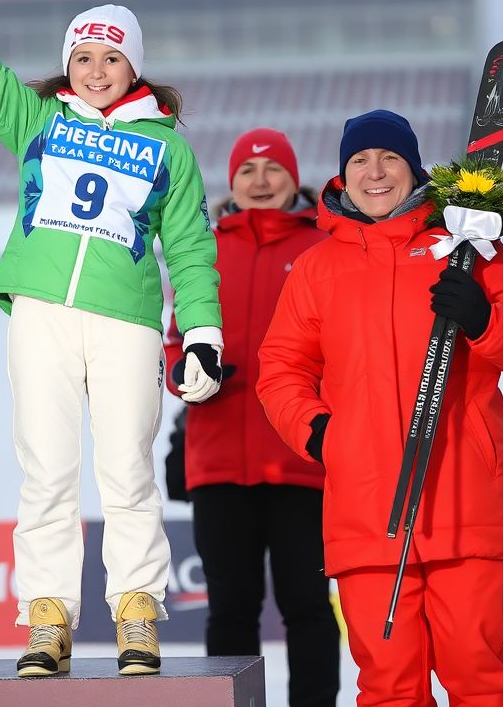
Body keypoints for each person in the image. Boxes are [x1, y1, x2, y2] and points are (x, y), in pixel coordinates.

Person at [0, 0, 222, 677]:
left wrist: (202, 331)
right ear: (69, 63)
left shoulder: (167, 146)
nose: (96, 71)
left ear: (135, 69)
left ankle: (135, 613)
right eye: (84, 57)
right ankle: (48, 618)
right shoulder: (37, 121)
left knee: (126, 469)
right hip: (41, 314)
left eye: (110, 59)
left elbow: (190, 247)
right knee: (47, 470)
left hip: (125, 318)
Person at [256, 108, 503, 707]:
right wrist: (320, 434)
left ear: (414, 168)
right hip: (367, 510)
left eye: (389, 158)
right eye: (360, 160)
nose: (375, 172)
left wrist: (484, 319)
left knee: (478, 679)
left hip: (463, 501)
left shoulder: (471, 249)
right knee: (390, 685)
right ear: (341, 176)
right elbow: (281, 368)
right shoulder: (318, 268)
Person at [166, 128, 340, 707]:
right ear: (231, 183)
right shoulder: (205, 248)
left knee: (308, 606)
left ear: (295, 179)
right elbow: (175, 339)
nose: (260, 182)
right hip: (220, 461)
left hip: (305, 461)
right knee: (230, 610)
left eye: (273, 172)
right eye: (248, 172)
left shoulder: (324, 246)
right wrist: (186, 374)